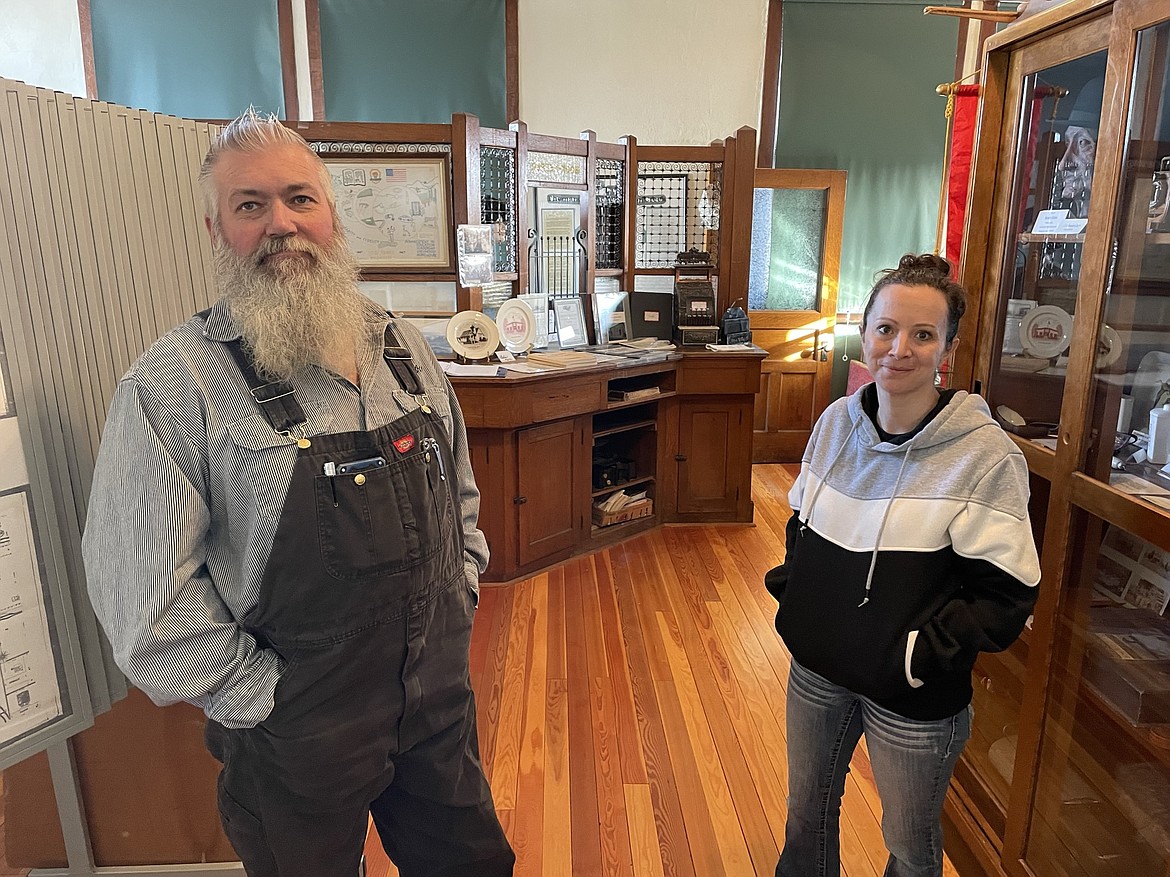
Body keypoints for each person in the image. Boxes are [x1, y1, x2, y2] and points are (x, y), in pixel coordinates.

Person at [82, 108, 515, 877]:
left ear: (331, 214)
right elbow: (144, 607)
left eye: (298, 198)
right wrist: (262, 700)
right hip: (296, 737)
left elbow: (463, 501)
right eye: (250, 206)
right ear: (217, 230)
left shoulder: (403, 346)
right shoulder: (174, 386)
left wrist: (461, 595)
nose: (280, 223)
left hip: (437, 706)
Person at [765, 254, 1040, 877]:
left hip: (913, 699)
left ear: (948, 347)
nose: (900, 349)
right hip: (819, 671)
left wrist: (920, 655)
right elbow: (800, 523)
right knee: (805, 817)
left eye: (923, 335)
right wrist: (800, 604)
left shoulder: (984, 455)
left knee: (910, 848)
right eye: (886, 329)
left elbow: (1008, 594)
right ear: (864, 333)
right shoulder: (837, 423)